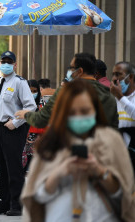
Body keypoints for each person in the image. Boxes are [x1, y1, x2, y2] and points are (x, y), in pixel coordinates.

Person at [21, 79, 135, 222]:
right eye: (72, 112)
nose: (79, 116)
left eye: (85, 111)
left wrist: (100, 172)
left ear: (95, 110)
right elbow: (35, 198)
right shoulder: (50, 143)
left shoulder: (112, 141)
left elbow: (125, 195)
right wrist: (59, 173)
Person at [0, 51, 37, 216]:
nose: (6, 64)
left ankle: (17, 204)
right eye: (3, 61)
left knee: (14, 167)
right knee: (0, 167)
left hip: (12, 129)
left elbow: (30, 107)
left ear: (15, 64)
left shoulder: (20, 82)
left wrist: (15, 123)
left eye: (9, 61)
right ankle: (4, 201)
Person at [15, 53, 118, 129]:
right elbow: (114, 127)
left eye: (71, 68)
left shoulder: (65, 92)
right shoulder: (108, 94)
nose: (69, 71)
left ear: (80, 71)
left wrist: (25, 114)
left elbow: (41, 120)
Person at [110, 61, 135, 174]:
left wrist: (120, 97)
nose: (115, 78)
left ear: (130, 77)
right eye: (113, 74)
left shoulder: (120, 97)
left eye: (118, 74)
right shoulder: (113, 98)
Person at [23, 80, 44, 173]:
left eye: (35, 91)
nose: (32, 94)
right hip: (23, 135)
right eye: (30, 91)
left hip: (37, 137)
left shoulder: (42, 104)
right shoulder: (20, 103)